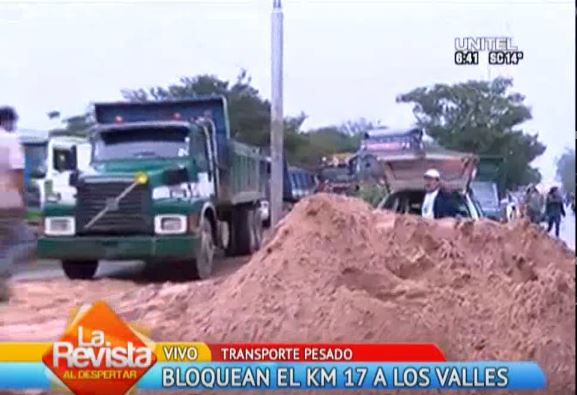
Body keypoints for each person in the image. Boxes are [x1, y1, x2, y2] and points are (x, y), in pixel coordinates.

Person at [0, 106, 26, 300]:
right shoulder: (10, 139)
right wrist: (22, 198)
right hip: (6, 198)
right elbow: (17, 172)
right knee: (22, 240)